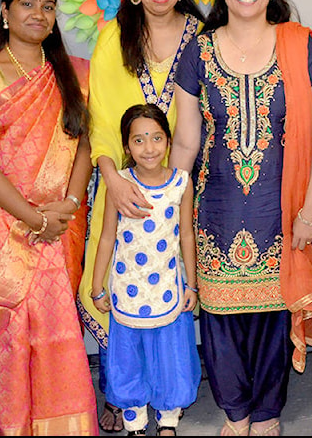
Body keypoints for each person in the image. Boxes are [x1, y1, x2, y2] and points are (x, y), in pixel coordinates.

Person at [170, 0, 312, 437]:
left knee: (270, 316)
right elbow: (184, 137)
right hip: (215, 205)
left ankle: (267, 415)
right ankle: (235, 413)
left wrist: (311, 209)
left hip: (280, 205)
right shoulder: (198, 49)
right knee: (220, 317)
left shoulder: (299, 43)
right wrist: (169, 207)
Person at [0, 0, 97, 435]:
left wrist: (69, 205)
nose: (38, 14)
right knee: (10, 337)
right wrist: (32, 216)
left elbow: (84, 148)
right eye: (28, 4)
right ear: (6, 12)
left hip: (59, 222)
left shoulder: (75, 74)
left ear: (55, 19)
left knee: (57, 331)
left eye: (48, 7)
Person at [77, 0, 204, 433]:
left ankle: (168, 395)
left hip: (182, 187)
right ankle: (122, 392)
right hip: (122, 184)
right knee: (114, 280)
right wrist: (113, 179)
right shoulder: (115, 38)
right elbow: (103, 118)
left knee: (173, 285)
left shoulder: (202, 35)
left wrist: (179, 178)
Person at [90, 103, 201, 437]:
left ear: (168, 141)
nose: (149, 147)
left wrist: (191, 286)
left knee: (170, 355)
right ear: (127, 146)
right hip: (127, 287)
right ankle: (135, 420)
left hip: (168, 285)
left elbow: (186, 235)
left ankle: (168, 419)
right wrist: (97, 287)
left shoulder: (181, 183)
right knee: (129, 356)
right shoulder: (120, 184)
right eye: (139, 140)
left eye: (156, 138)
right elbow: (107, 237)